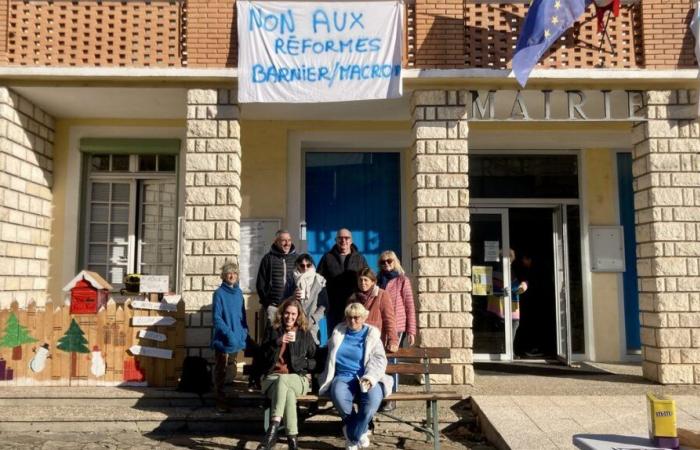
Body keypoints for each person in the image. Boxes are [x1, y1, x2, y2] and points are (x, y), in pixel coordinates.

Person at [318, 302, 394, 450]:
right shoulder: (338, 333)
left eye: (356, 317)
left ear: (364, 317)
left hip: (367, 377)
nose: (352, 321)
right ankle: (360, 433)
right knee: (338, 396)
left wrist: (370, 377)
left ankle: (352, 436)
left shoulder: (371, 334)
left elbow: (379, 360)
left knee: (371, 402)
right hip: (343, 377)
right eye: (349, 317)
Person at [254, 298, 317, 450]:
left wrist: (304, 365)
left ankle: (272, 429)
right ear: (281, 314)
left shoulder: (304, 333)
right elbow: (262, 357)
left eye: (293, 314)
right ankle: (292, 442)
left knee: (285, 381)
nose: (290, 317)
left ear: (298, 315)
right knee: (286, 390)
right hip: (272, 378)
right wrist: (278, 342)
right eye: (287, 313)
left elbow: (314, 360)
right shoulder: (272, 331)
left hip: (298, 378)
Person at [377, 250, 416, 411]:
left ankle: (392, 397)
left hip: (397, 326)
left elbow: (409, 305)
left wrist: (411, 330)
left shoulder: (402, 280)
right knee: (379, 360)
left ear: (395, 262)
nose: (386, 264)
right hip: (379, 326)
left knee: (392, 360)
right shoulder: (378, 280)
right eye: (383, 262)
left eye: (389, 261)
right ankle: (380, 394)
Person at [211, 261, 250, 410]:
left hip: (238, 336)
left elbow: (242, 314)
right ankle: (220, 401)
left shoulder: (239, 293)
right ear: (223, 275)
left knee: (232, 368)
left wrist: (244, 330)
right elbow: (217, 318)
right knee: (221, 369)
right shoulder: (219, 293)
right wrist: (229, 334)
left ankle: (230, 398)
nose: (232, 275)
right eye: (229, 273)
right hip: (224, 338)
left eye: (234, 272)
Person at [317, 228, 368, 333]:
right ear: (336, 240)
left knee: (354, 335)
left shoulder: (360, 258)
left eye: (346, 238)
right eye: (340, 238)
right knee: (334, 335)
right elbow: (318, 280)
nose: (343, 241)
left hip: (354, 306)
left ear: (351, 240)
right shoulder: (327, 258)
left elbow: (368, 279)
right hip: (333, 306)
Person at [348, 268, 398, 353]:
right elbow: (346, 319)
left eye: (366, 280)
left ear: (373, 281)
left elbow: (389, 319)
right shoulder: (353, 297)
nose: (362, 283)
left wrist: (393, 340)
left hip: (375, 340)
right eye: (360, 280)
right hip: (356, 341)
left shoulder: (382, 295)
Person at [256, 230, 297, 326]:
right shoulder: (267, 259)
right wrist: (267, 305)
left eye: (289, 240)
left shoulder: (297, 259)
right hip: (274, 308)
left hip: (292, 308)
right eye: (284, 240)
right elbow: (260, 284)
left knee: (291, 337)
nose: (287, 243)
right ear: (276, 242)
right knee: (274, 337)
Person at [291, 254, 329, 345]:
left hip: (311, 325)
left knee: (312, 352)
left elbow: (324, 305)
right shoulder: (291, 280)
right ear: (297, 265)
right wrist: (292, 297)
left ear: (312, 265)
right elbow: (283, 301)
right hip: (293, 323)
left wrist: (312, 320)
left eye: (308, 265)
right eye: (302, 265)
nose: (305, 268)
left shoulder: (319, 281)